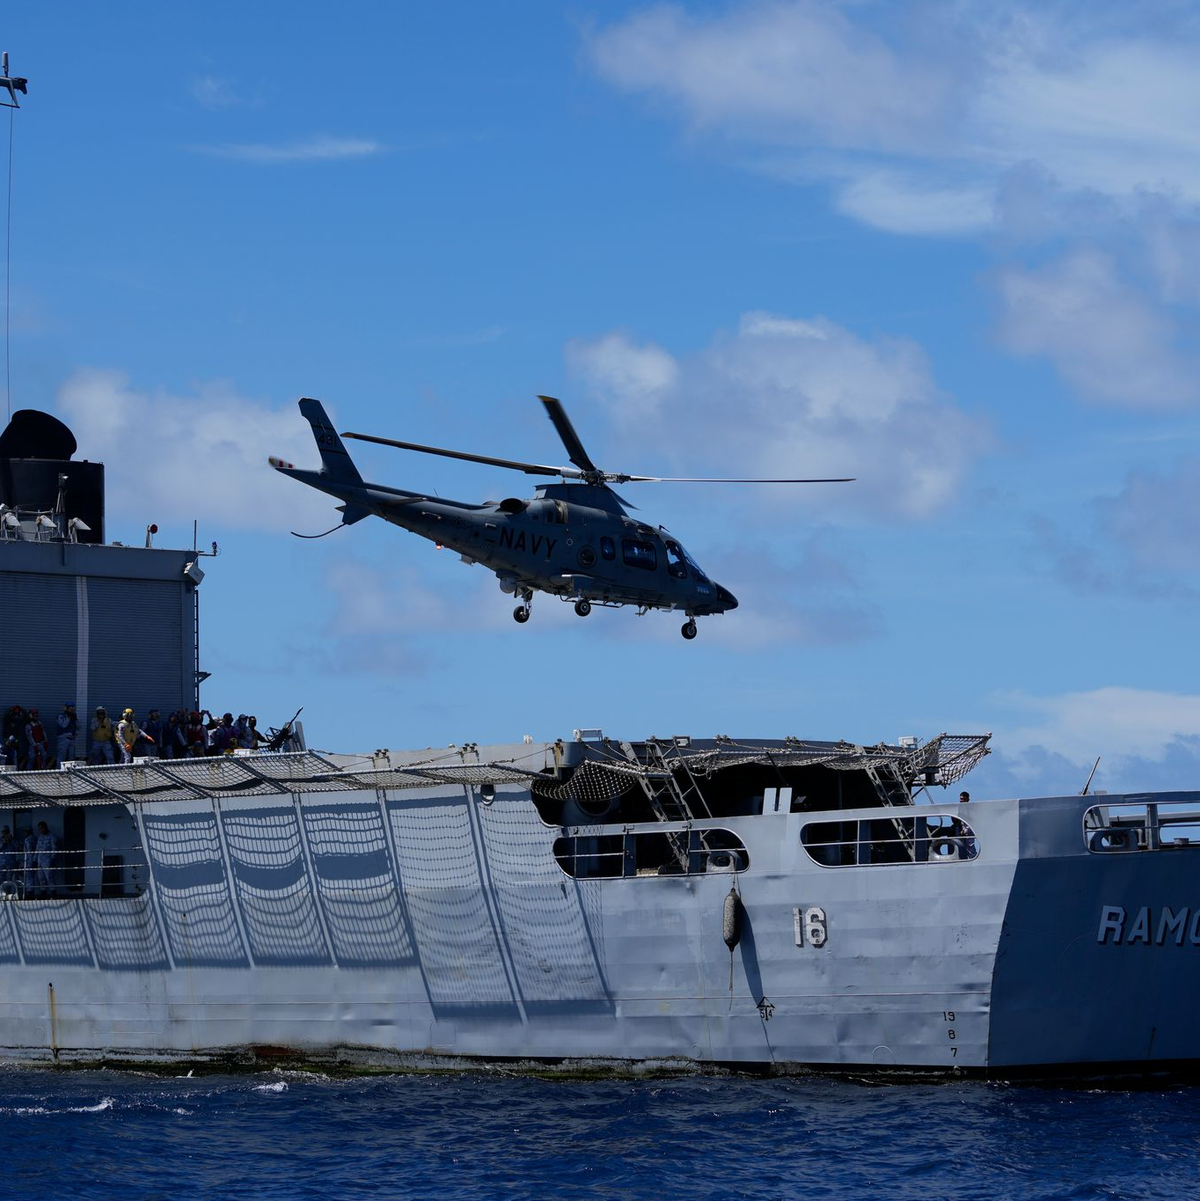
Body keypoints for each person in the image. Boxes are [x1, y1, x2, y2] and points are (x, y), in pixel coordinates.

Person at [33, 821, 57, 897]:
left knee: (49, 877)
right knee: (41, 878)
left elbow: (54, 848)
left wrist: (53, 859)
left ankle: (53, 893)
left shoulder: (52, 837)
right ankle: (43, 893)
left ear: (45, 827)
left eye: (42, 828)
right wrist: (35, 860)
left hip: (47, 860)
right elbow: (37, 849)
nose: (41, 830)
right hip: (40, 860)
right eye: (39, 829)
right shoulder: (40, 837)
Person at [0, 825, 20, 892]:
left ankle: (9, 894)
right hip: (1, 863)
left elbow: (18, 848)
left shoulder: (13, 840)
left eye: (6, 832)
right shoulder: (0, 840)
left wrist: (12, 840)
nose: (5, 833)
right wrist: (3, 842)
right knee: (2, 879)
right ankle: (3, 893)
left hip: (10, 863)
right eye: (3, 832)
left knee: (9, 879)